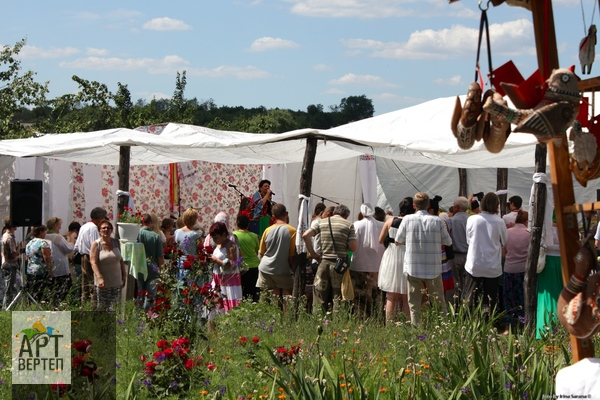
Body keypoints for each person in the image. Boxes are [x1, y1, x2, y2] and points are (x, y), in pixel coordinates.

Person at [395, 192, 452, 326]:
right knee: (439, 304)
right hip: (433, 268)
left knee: (414, 305)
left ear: (414, 206)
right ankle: (442, 328)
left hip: (413, 267)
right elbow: (448, 242)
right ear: (429, 205)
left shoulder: (407, 219)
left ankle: (417, 330)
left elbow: (398, 240)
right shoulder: (437, 220)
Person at [464, 192, 508, 330]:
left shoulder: (473, 219)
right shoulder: (499, 221)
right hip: (492, 265)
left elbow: (468, 240)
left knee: (470, 295)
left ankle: (465, 322)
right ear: (497, 206)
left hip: (475, 262)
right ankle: (487, 324)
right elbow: (504, 241)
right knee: (490, 298)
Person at [303, 204, 357, 314]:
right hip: (339, 265)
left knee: (319, 294)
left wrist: (313, 254)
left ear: (334, 213)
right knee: (338, 296)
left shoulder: (321, 222)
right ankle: (338, 322)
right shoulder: (348, 225)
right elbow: (353, 247)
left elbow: (305, 235)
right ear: (346, 216)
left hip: (323, 263)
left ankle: (318, 320)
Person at [378, 197, 414, 322]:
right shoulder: (412, 222)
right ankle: (407, 323)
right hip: (407, 256)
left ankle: (389, 324)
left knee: (391, 296)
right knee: (406, 295)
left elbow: (380, 240)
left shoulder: (390, 220)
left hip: (392, 256)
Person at [349, 203, 385, 318]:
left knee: (360, 297)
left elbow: (351, 245)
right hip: (378, 266)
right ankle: (377, 319)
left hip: (359, 265)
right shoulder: (382, 225)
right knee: (377, 296)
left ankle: (361, 320)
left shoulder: (357, 225)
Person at [256, 204, 296, 300]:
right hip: (281, 268)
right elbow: (292, 256)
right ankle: (287, 315)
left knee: (265, 296)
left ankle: (263, 314)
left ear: (273, 216)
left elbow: (261, 252)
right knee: (289, 295)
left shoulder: (267, 230)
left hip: (265, 267)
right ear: (286, 214)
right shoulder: (292, 231)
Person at [90, 220, 127, 312]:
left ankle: (114, 326)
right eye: (103, 228)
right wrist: (99, 277)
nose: (106, 230)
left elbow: (120, 259)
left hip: (116, 281)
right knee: (103, 309)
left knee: (115, 308)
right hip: (104, 283)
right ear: (99, 231)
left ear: (111, 230)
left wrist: (124, 274)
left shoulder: (116, 242)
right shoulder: (96, 244)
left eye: (108, 228)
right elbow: (93, 262)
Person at [536, 213, 563, 339]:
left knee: (546, 296)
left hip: (548, 262)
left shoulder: (546, 229)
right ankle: (561, 327)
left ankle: (544, 327)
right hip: (562, 263)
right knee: (561, 295)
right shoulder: (565, 229)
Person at [74, 207, 107, 307]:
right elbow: (96, 245)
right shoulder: (93, 228)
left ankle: (85, 305)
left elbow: (77, 245)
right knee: (93, 283)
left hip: (83, 256)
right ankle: (93, 307)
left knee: (85, 284)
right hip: (90, 257)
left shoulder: (84, 226)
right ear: (100, 218)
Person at [502, 210, 530, 331]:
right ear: (526, 221)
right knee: (523, 298)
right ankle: (523, 325)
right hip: (523, 269)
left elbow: (504, 252)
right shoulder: (529, 233)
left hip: (509, 268)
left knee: (508, 298)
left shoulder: (507, 232)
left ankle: (508, 326)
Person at [209, 221, 242, 312]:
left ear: (224, 234)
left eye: (216, 238)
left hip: (229, 281)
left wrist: (216, 260)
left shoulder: (230, 246)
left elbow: (233, 266)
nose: (214, 240)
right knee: (215, 306)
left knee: (230, 308)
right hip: (218, 279)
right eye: (213, 238)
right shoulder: (219, 244)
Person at [136, 214, 164, 311]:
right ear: (151, 222)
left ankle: (138, 316)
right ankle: (148, 316)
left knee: (140, 293)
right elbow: (160, 256)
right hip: (153, 269)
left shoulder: (137, 234)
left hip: (139, 267)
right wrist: (162, 270)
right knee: (151, 296)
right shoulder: (156, 236)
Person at [45, 217, 74, 305]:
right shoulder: (57, 237)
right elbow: (68, 248)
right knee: (63, 290)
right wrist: (71, 238)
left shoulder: (45, 236)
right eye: (59, 226)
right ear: (55, 226)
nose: (60, 228)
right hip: (60, 268)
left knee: (52, 290)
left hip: (50, 267)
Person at [233, 214, 260, 302]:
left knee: (240, 292)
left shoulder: (233, 235)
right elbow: (256, 252)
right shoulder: (254, 236)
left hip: (241, 268)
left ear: (237, 224)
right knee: (252, 293)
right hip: (254, 266)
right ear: (248, 224)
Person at [448, 197, 469, 304]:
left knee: (455, 283)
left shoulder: (451, 221)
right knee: (467, 284)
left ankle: (454, 307)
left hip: (454, 256)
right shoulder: (471, 219)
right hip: (469, 255)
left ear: (456, 207)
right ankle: (466, 307)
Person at [25, 225, 54, 303]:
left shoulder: (29, 243)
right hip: (41, 271)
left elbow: (27, 257)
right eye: (44, 232)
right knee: (41, 292)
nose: (45, 234)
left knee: (33, 291)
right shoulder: (43, 243)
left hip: (30, 270)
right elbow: (47, 257)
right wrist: (51, 271)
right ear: (41, 232)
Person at [174, 208, 203, 281]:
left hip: (179, 263)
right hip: (191, 264)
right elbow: (201, 250)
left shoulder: (177, 232)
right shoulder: (195, 235)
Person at [1, 218, 20, 308]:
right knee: (9, 288)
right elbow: (13, 254)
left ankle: (7, 306)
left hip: (5, 264)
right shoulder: (10, 237)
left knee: (8, 287)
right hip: (10, 265)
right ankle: (7, 307)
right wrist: (19, 247)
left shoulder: (5, 235)